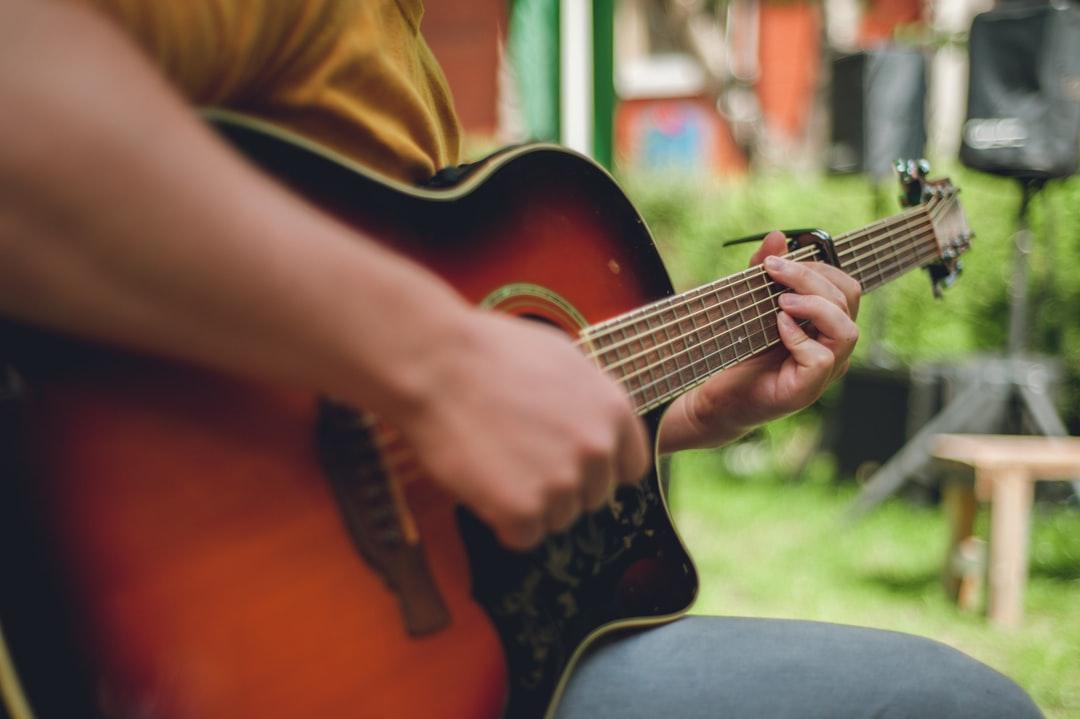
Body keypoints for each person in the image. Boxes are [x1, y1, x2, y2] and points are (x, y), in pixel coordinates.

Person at [0, 1, 1042, 717]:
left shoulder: (399, 41)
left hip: (408, 647)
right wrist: (438, 360)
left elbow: (380, 418)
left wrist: (685, 410)